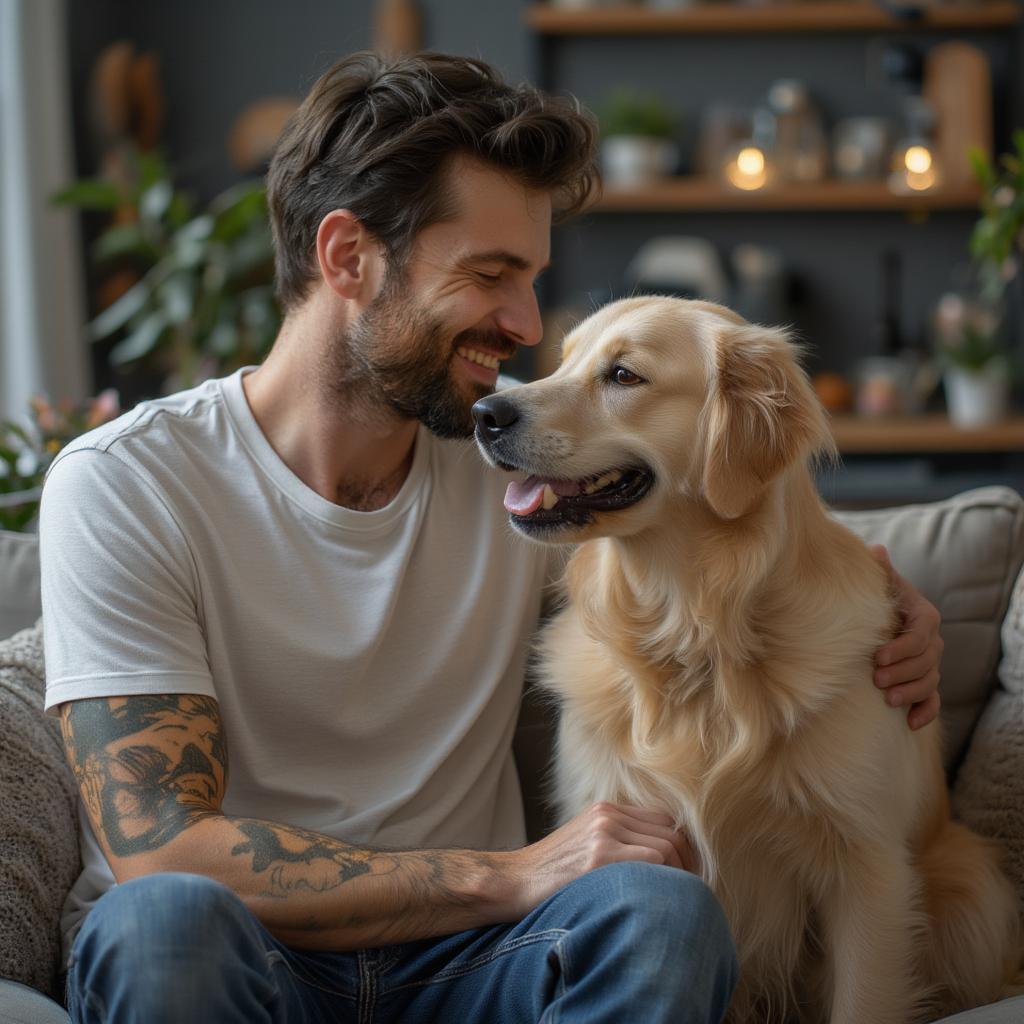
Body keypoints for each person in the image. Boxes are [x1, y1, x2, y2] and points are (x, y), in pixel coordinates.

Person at [41, 51, 943, 1024]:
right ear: (348, 257)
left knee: (658, 911)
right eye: (489, 275)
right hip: (244, 958)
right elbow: (162, 846)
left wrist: (892, 605)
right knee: (164, 916)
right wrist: (508, 875)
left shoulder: (518, 460)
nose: (523, 324)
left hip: (475, 967)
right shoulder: (127, 483)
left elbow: (727, 526)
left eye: (531, 279)